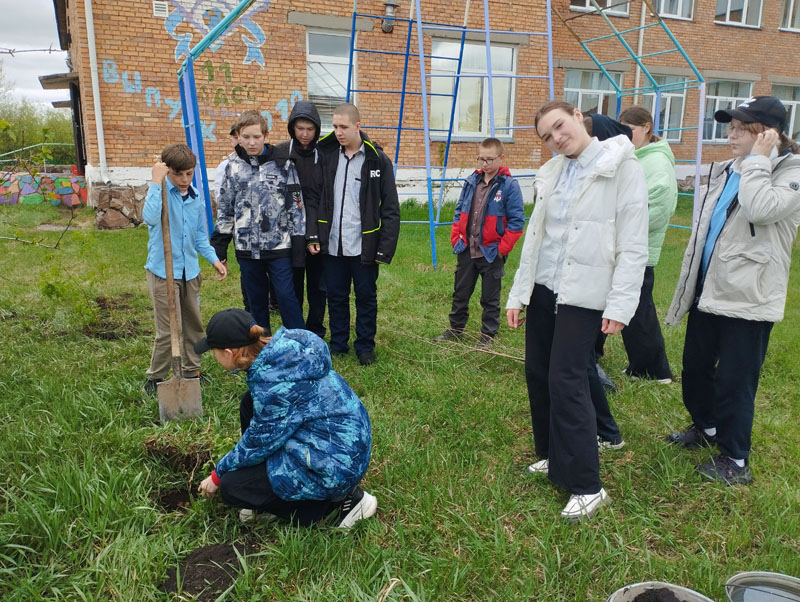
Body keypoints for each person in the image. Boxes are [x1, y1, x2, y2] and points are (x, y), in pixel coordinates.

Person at [506, 101, 648, 520]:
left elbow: (633, 242)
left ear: (576, 115)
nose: (556, 139)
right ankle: (551, 454)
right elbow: (536, 240)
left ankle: (587, 484)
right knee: (537, 371)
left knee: (566, 379)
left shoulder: (621, 166)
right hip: (546, 287)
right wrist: (520, 293)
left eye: (559, 126)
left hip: (585, 294)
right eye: (547, 137)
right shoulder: (553, 172)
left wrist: (622, 303)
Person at [664, 96, 800, 485]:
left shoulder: (790, 171)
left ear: (768, 134)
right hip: (711, 287)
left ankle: (736, 460)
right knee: (696, 368)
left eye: (742, 128)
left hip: (750, 297)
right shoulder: (727, 169)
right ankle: (706, 428)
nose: (731, 135)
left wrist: (759, 160)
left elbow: (760, 209)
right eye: (730, 127)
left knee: (736, 381)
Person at [195, 308, 377, 527]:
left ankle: (340, 504)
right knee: (249, 403)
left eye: (213, 351)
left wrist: (217, 475)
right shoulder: (283, 352)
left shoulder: (273, 387)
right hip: (342, 444)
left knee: (232, 487)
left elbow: (256, 443)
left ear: (228, 352)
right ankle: (274, 496)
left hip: (336, 466)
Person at [314, 103, 400, 366]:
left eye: (344, 127)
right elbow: (317, 196)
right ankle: (339, 344)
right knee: (336, 296)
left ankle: (365, 346)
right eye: (335, 127)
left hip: (363, 247)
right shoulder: (327, 154)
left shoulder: (377, 160)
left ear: (358, 126)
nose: (339, 132)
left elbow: (390, 208)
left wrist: (383, 249)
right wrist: (315, 235)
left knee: (365, 297)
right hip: (333, 245)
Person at [142, 143, 228, 395]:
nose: (183, 179)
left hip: (189, 272)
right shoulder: (160, 192)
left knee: (193, 325)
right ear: (167, 171)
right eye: (178, 174)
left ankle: (192, 372)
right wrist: (155, 183)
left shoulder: (195, 196)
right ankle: (155, 377)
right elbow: (149, 218)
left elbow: (201, 236)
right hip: (162, 272)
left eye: (189, 173)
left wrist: (213, 260)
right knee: (168, 331)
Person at [212, 110, 306, 336]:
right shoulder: (231, 167)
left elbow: (296, 205)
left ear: (266, 135)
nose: (251, 142)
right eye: (246, 137)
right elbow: (225, 208)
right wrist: (220, 245)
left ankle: (301, 344)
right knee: (256, 301)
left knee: (285, 296)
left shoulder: (283, 164)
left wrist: (299, 240)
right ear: (238, 136)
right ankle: (261, 347)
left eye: (256, 136)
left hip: (279, 246)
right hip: (246, 248)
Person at [433, 137, 525, 347]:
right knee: (460, 292)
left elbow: (516, 222)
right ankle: (455, 329)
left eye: (490, 159)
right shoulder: (471, 181)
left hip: (491, 252)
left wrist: (502, 249)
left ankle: (488, 335)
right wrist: (457, 236)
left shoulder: (509, 186)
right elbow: (459, 212)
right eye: (481, 159)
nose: (485, 164)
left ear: (501, 158)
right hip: (467, 248)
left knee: (490, 298)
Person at [617, 105, 678, 384]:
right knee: (624, 306)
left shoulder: (657, 163)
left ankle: (656, 370)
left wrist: (621, 225)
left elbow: (657, 209)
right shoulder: (636, 156)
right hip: (625, 243)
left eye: (630, 131)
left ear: (647, 128)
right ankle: (639, 365)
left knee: (639, 310)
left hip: (639, 248)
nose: (626, 136)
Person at [274, 100, 328, 339]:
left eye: (310, 129)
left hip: (317, 229)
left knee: (318, 285)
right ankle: (295, 331)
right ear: (292, 128)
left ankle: (316, 329)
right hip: (288, 232)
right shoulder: (280, 153)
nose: (305, 134)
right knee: (292, 284)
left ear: (317, 129)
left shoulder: (325, 155)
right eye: (300, 128)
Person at [212, 122, 251, 313]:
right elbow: (223, 201)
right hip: (241, 228)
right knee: (248, 271)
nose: (240, 142)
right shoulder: (226, 166)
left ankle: (273, 301)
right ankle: (250, 305)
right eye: (236, 137)